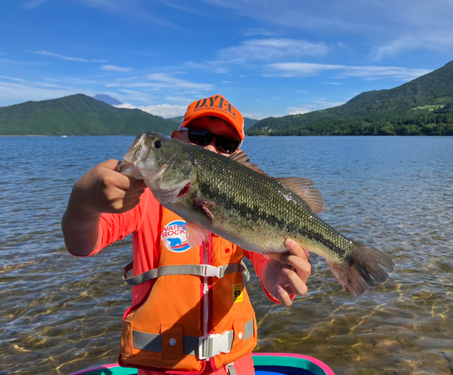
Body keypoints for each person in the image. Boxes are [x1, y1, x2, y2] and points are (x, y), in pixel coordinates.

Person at [62, 95, 312, 375]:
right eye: (198, 136)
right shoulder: (142, 198)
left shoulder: (248, 200)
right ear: (177, 139)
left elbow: (272, 267)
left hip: (235, 367)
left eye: (226, 145)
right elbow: (82, 244)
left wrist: (280, 279)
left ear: (236, 154)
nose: (210, 149)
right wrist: (82, 201)